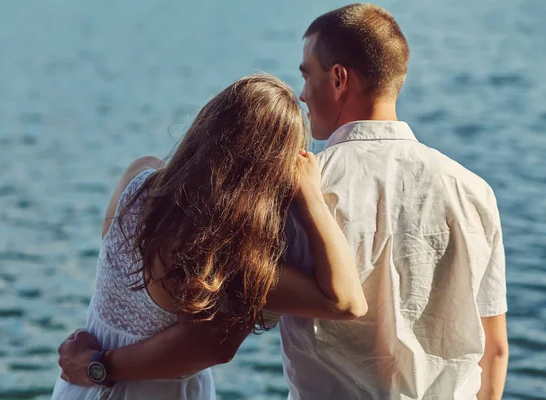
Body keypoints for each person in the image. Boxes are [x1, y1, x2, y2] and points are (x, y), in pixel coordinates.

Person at [58, 4, 509, 399]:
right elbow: (496, 348)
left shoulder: (292, 191)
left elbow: (217, 335)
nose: (304, 94)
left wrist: (100, 365)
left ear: (338, 79)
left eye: (305, 75)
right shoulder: (474, 191)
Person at [51, 74, 367, 400]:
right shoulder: (230, 261)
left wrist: (94, 366)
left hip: (78, 385)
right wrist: (310, 194)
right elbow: (346, 301)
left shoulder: (137, 179)